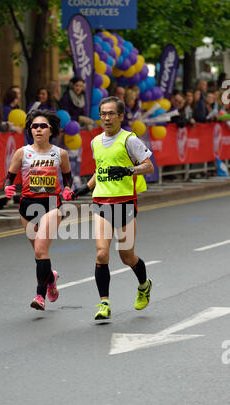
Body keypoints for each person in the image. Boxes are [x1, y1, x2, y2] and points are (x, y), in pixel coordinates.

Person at [70, 96, 154, 321]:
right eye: (103, 114)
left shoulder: (129, 140)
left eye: (110, 114)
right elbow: (100, 171)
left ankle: (144, 285)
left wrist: (129, 171)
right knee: (101, 253)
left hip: (125, 203)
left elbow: (148, 166)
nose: (106, 118)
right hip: (101, 203)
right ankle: (104, 303)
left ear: (120, 116)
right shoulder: (95, 141)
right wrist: (80, 190)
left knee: (127, 256)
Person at [3, 109, 73, 311]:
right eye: (34, 126)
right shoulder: (22, 153)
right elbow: (10, 177)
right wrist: (7, 187)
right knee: (38, 253)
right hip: (27, 206)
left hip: (51, 205)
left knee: (42, 249)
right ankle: (51, 277)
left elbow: (67, 178)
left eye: (43, 126)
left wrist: (67, 189)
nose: (38, 129)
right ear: (30, 130)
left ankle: (39, 296)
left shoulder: (60, 154)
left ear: (51, 130)